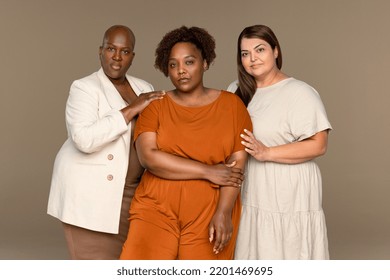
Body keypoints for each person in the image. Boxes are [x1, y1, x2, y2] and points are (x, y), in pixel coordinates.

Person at [119, 26, 252, 260]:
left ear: (205, 63)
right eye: (173, 64)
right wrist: (207, 171)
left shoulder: (232, 106)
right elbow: (148, 157)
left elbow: (236, 167)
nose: (181, 71)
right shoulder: (155, 105)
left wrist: (224, 213)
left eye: (189, 62)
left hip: (209, 210)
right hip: (155, 207)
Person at [47, 25, 165, 259]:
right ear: (100, 50)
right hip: (93, 195)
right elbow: (84, 139)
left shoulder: (144, 88)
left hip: (135, 194)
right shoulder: (84, 87)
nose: (117, 57)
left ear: (132, 56)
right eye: (111, 49)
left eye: (125, 51)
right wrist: (131, 109)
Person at [227, 24, 332, 259]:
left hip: (288, 190)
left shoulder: (300, 92)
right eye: (245, 54)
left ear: (275, 51)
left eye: (260, 50)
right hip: (252, 187)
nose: (252, 59)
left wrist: (267, 153)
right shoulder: (236, 90)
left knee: (288, 252)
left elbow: (319, 144)